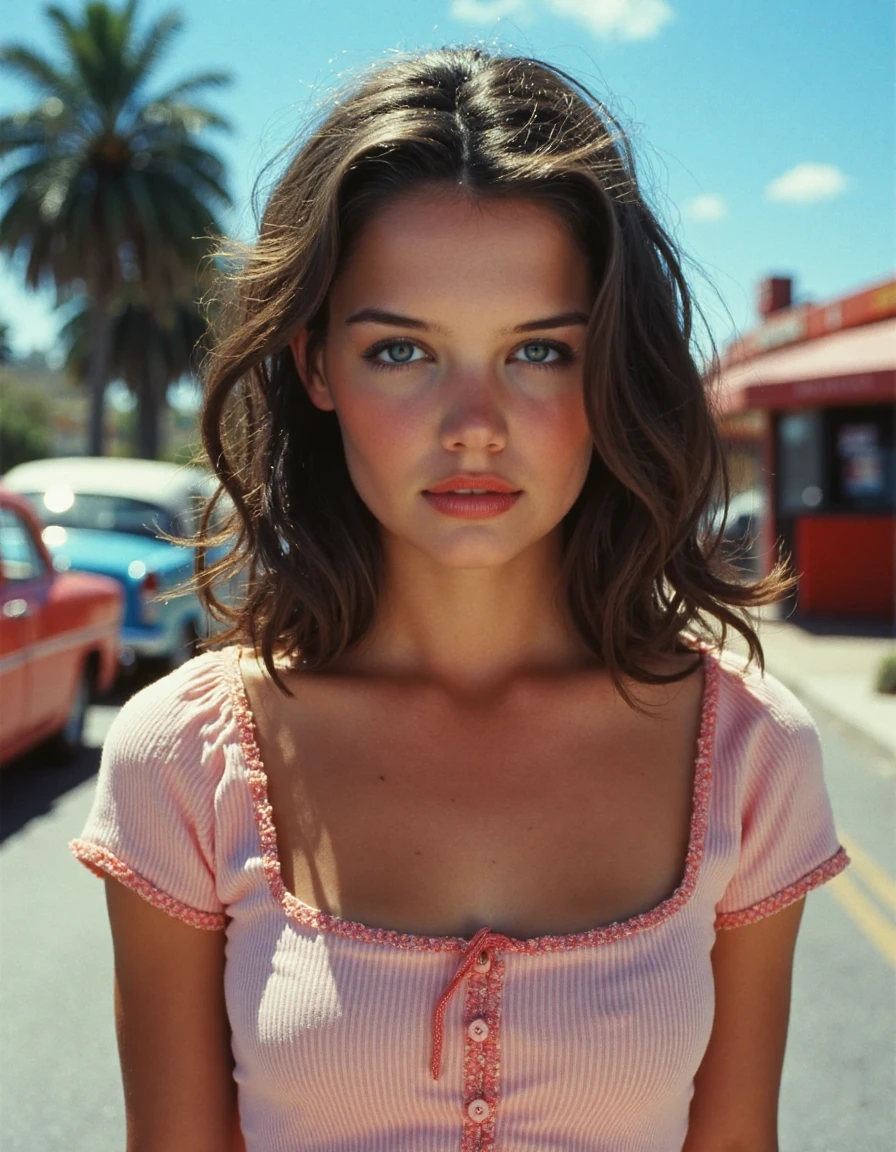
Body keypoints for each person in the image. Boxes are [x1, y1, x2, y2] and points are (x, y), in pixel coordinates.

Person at [70, 46, 850, 1152]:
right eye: (401, 349)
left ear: (609, 367)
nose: (472, 422)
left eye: (536, 349)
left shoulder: (747, 753)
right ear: (317, 367)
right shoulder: (179, 759)